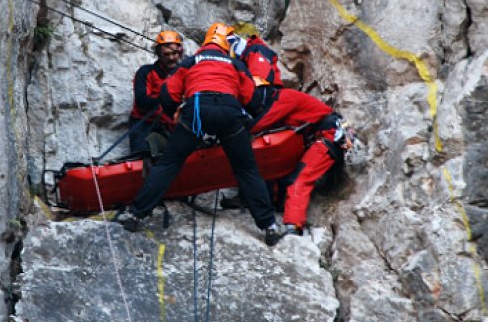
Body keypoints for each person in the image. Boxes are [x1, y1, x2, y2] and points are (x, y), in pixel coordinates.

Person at [118, 22, 287, 246]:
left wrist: (176, 116)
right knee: (246, 169)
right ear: (226, 45)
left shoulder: (189, 62)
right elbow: (254, 101)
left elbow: (168, 95)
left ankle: (136, 214)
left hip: (196, 112)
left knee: (169, 164)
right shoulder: (235, 64)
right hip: (229, 113)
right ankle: (269, 226)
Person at [229, 26, 356, 235]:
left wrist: (234, 127)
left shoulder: (283, 98)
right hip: (319, 138)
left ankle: (293, 227)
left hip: (329, 136)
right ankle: (271, 205)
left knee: (300, 179)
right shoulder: (280, 102)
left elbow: (260, 124)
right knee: (275, 168)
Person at [128, 30, 184, 162]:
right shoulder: (146, 72)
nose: (171, 58)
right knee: (141, 159)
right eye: (167, 54)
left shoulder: (184, 74)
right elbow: (142, 101)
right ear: (159, 54)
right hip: (145, 124)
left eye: (175, 53)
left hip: (172, 126)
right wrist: (169, 98)